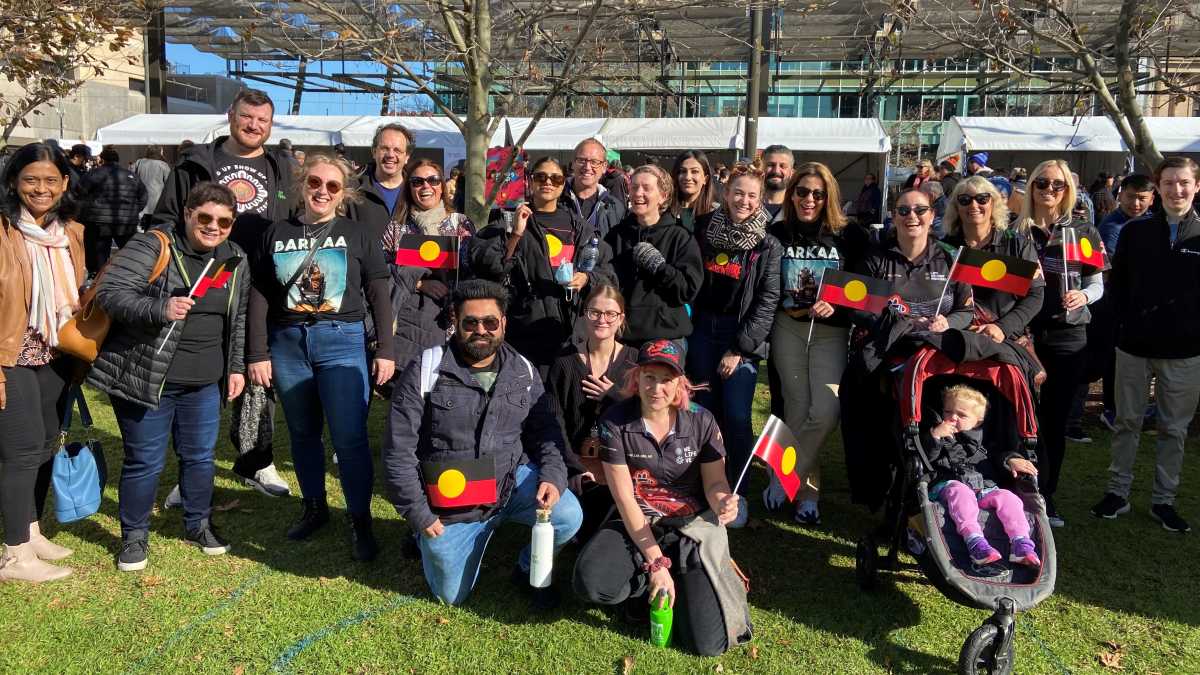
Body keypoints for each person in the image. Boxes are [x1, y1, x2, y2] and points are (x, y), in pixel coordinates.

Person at [382, 279, 581, 608]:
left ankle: (524, 566)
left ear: (503, 323)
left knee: (569, 515)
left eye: (490, 322)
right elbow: (397, 452)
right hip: (451, 501)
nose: (480, 330)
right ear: (454, 322)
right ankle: (422, 540)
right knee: (450, 596)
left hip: (509, 484)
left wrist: (552, 476)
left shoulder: (524, 371)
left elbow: (546, 433)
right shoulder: (426, 369)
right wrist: (419, 515)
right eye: (470, 322)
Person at [88, 183, 249, 571]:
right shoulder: (153, 245)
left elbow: (238, 318)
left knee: (199, 457)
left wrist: (237, 367)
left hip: (205, 381)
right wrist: (160, 307)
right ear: (188, 214)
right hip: (148, 376)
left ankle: (198, 523)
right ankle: (134, 536)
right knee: (144, 460)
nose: (214, 227)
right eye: (205, 218)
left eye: (224, 222)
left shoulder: (235, 257)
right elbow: (110, 293)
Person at [245, 153, 395, 560]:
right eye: (314, 182)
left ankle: (360, 517)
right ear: (301, 184)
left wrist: (386, 349)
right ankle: (314, 507)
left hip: (341, 339)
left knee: (350, 438)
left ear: (343, 192)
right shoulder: (275, 233)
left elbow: (379, 292)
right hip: (288, 341)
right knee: (303, 433)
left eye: (332, 186)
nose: (322, 191)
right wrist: (258, 351)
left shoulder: (358, 233)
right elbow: (260, 294)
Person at [153, 88, 293, 499]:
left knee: (258, 374)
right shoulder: (198, 164)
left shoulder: (280, 167)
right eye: (247, 117)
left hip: (263, 286)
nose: (254, 125)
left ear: (270, 125)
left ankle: (256, 461)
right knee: (201, 378)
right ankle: (190, 471)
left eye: (262, 120)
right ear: (231, 116)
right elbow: (164, 219)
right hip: (206, 284)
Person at [573, 339, 750, 656]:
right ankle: (645, 585)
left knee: (707, 645)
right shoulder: (615, 421)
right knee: (592, 582)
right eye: (649, 377)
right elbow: (625, 499)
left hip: (691, 525)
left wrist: (723, 500)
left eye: (666, 379)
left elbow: (715, 484)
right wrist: (655, 563)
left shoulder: (702, 420)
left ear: (680, 383)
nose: (656, 388)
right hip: (639, 520)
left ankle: (682, 578)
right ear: (636, 378)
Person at [842, 189, 974, 510]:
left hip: (933, 360)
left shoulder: (951, 259)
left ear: (932, 215)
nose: (911, 216)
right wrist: (895, 322)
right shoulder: (875, 258)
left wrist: (949, 321)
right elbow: (855, 306)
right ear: (894, 216)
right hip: (885, 358)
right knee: (868, 417)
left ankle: (929, 486)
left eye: (920, 209)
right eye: (903, 210)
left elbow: (967, 309)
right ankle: (875, 491)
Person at [1091, 157, 1200, 533]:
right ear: (1158, 188)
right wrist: (1116, 331)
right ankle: (1117, 493)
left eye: (1183, 182)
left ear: (1196, 186)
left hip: (1185, 351)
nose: (1176, 190)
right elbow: (1117, 287)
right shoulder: (1137, 232)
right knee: (1126, 422)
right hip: (1134, 346)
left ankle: (1163, 500)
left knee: (1174, 429)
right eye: (1168, 183)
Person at [0, 143, 86, 583]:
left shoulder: (69, 231)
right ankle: (14, 554)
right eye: (31, 179)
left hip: (55, 351)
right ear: (15, 181)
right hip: (11, 353)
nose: (41, 188)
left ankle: (30, 531)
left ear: (65, 184)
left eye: (51, 180)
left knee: (48, 438)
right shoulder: (3, 230)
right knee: (21, 447)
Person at [766, 162, 869, 525]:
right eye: (802, 192)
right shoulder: (776, 232)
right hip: (788, 326)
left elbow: (864, 287)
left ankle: (783, 474)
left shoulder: (849, 235)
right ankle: (808, 494)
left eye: (817, 194)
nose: (809, 199)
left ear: (829, 197)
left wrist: (839, 300)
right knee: (796, 407)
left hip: (830, 331)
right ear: (792, 193)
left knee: (825, 410)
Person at [687, 162, 781, 527]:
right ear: (726, 194)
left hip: (740, 337)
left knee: (738, 416)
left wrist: (739, 348)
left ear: (760, 201)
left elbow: (768, 299)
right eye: (738, 193)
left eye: (751, 195)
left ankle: (737, 491)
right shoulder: (703, 230)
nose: (743, 200)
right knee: (703, 412)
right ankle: (705, 487)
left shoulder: (767, 244)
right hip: (702, 332)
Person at [1017, 159, 1108, 528]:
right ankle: (1015, 489)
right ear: (1031, 187)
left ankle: (1045, 495)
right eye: (1042, 183)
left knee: (1054, 421)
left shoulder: (1083, 230)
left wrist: (1084, 297)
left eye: (1057, 185)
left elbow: (1098, 283)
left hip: (1068, 335)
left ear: (1068, 190)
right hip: (1023, 334)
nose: (1049, 191)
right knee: (1020, 416)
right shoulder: (1015, 232)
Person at [471, 157, 612, 375]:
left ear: (563, 184)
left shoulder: (579, 228)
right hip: (524, 331)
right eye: (540, 177)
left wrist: (586, 279)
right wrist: (516, 234)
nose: (548, 182)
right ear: (530, 181)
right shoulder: (507, 222)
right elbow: (489, 266)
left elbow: (607, 274)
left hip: (570, 331)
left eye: (555, 178)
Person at [546, 284, 638, 540]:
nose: (602, 319)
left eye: (610, 313)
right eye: (595, 312)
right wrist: (574, 466)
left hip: (621, 462)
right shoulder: (564, 363)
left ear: (621, 318)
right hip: (576, 461)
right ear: (584, 314)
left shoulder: (634, 362)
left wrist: (613, 396)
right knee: (580, 530)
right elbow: (554, 422)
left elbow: (644, 418)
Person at [377, 158, 474, 374]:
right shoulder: (397, 227)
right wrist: (420, 283)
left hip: (452, 321)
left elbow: (471, 270)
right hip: (411, 324)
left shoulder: (460, 223)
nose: (426, 186)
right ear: (409, 187)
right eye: (417, 181)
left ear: (442, 185)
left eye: (433, 180)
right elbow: (381, 270)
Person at [927, 385, 1041, 567]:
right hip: (947, 485)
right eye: (948, 411)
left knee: (1009, 497)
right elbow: (926, 459)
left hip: (983, 487)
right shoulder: (938, 433)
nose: (952, 417)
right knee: (960, 491)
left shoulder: (985, 440)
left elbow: (998, 454)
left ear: (978, 421)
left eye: (961, 415)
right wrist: (934, 438)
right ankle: (975, 543)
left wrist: (1011, 459)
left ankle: (1021, 543)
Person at [605, 165, 703, 346]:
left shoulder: (680, 237)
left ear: (663, 196)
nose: (638, 193)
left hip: (665, 335)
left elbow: (687, 290)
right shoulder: (616, 235)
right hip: (623, 336)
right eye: (634, 187)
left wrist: (660, 268)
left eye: (646, 188)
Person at [942, 176, 1045, 346]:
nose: (974, 205)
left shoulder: (1017, 244)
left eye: (982, 199)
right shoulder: (944, 248)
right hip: (954, 338)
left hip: (1005, 340)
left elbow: (1035, 295)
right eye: (965, 200)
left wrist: (1002, 328)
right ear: (956, 207)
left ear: (993, 203)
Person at [1092, 174, 1155, 431]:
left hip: (1140, 306)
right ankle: (1112, 409)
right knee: (1114, 358)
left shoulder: (1149, 221)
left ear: (1152, 198)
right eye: (1131, 197)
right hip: (1115, 304)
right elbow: (1112, 270)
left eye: (1142, 198)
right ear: (1121, 195)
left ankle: (1127, 406)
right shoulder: (1114, 226)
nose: (1136, 204)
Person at [79, 147, 148, 275]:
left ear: (103, 159)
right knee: (129, 253)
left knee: (99, 255)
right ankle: (130, 276)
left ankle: (97, 278)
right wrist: (133, 210)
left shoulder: (95, 174)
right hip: (126, 221)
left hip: (99, 221)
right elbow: (143, 196)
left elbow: (80, 192)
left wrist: (87, 211)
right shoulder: (131, 175)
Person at [346, 123, 412, 243]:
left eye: (397, 150)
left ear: (407, 156)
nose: (390, 155)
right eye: (384, 148)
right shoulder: (352, 188)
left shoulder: (416, 190)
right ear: (374, 152)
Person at [563, 138, 626, 239]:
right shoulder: (556, 201)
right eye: (581, 160)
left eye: (594, 162)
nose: (587, 167)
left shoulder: (614, 208)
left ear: (604, 167)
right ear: (573, 164)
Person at [669, 150, 718, 233]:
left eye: (694, 171)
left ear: (705, 179)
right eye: (683, 171)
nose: (688, 177)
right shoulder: (665, 210)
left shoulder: (716, 213)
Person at [132, 145, 171, 231]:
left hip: (141, 199)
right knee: (153, 228)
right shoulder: (163, 165)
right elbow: (169, 184)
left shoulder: (139, 162)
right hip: (157, 201)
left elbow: (132, 177)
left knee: (141, 228)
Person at [761, 145, 795, 223]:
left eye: (783, 166)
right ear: (761, 168)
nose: (776, 171)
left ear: (791, 173)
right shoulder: (747, 205)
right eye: (770, 165)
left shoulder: (797, 209)